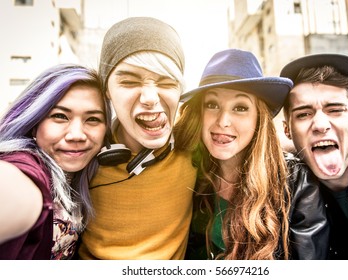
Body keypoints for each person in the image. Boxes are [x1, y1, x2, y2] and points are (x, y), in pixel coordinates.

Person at [174, 49, 329, 260]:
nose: (223, 121)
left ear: (259, 118)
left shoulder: (296, 182)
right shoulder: (190, 175)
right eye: (212, 104)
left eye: (240, 107)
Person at [77, 17, 197, 260]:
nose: (150, 97)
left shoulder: (196, 148)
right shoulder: (79, 152)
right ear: (107, 91)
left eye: (166, 81)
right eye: (130, 81)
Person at [280, 53, 348, 259]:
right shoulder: (290, 185)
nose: (321, 125)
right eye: (303, 114)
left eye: (335, 110)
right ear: (288, 130)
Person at [0, 64, 110, 259]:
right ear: (34, 123)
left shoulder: (87, 177)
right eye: (60, 116)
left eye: (93, 119)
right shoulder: (25, 169)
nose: (76, 135)